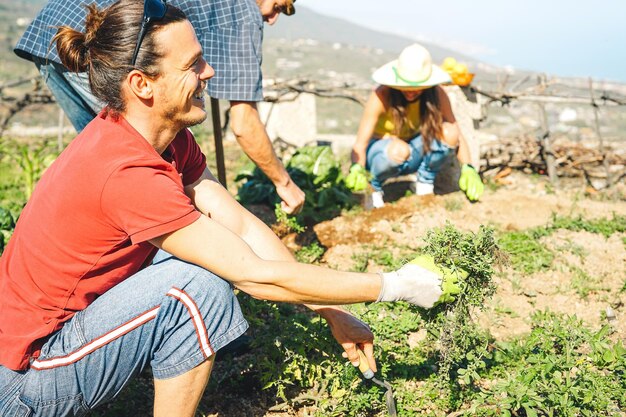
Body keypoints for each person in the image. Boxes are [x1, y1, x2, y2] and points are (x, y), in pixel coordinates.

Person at [0, 2, 459, 416]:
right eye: (194, 63)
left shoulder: (165, 140)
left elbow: (238, 223)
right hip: (25, 380)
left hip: (48, 350)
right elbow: (254, 276)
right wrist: (396, 286)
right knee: (195, 287)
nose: (210, 71)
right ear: (142, 84)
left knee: (199, 258)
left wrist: (332, 313)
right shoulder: (126, 171)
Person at [14, 0, 305, 215]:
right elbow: (244, 124)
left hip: (57, 26)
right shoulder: (244, 10)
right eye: (281, 7)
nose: (274, 18)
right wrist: (284, 183)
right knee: (141, 159)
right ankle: (172, 258)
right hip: (99, 38)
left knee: (102, 157)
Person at [345, 43, 484, 208]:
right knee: (399, 149)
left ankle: (425, 184)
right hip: (381, 154)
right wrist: (357, 167)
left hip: (414, 148)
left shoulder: (436, 93)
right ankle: (373, 188)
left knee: (449, 132)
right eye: (406, 87)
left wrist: (468, 168)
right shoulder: (381, 95)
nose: (411, 91)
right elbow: (360, 144)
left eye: (417, 87)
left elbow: (457, 133)